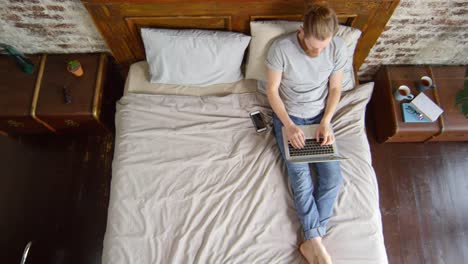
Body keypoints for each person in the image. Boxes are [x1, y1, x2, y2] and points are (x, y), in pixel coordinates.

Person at [265, 4, 347, 264]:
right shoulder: (280, 49)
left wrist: (326, 121)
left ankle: (313, 240)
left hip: (320, 118)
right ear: (301, 31)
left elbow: (335, 89)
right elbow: (272, 91)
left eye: (323, 46)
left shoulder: (337, 48)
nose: (319, 51)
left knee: (333, 180)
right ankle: (314, 242)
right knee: (301, 180)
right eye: (313, 47)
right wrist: (288, 125)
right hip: (291, 119)